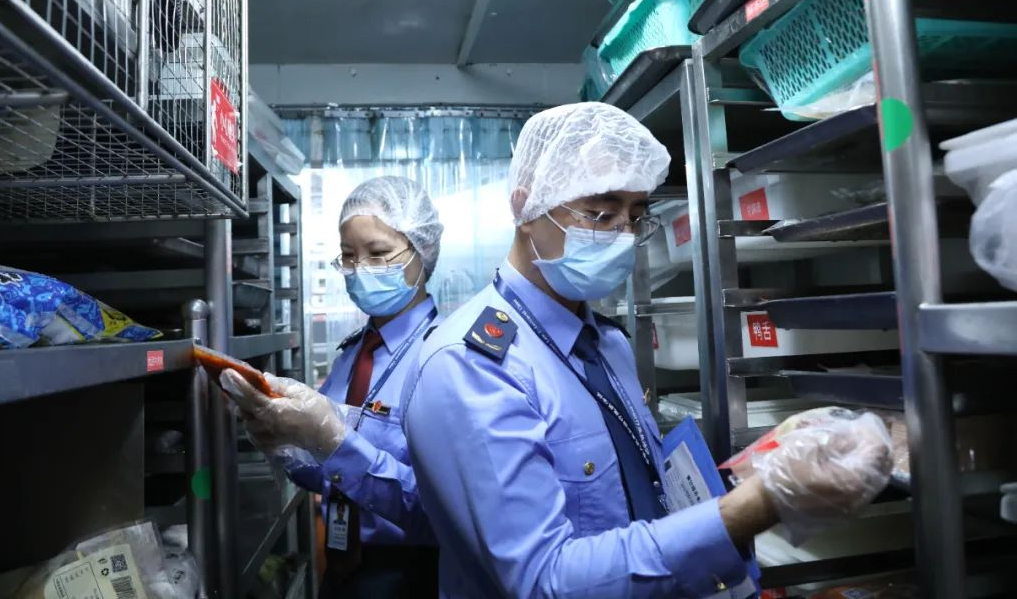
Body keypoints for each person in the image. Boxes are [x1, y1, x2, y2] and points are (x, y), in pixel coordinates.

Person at [401, 103, 893, 598]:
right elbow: (544, 581)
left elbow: (640, 492)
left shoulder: (607, 343)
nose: (624, 237)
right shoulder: (471, 366)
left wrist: (765, 467)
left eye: (636, 217)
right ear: (526, 208)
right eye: (600, 213)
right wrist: (760, 504)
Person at [223, 175, 443, 598]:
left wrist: (334, 443)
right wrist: (286, 442)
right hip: (343, 569)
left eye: (378, 253)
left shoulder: (444, 358)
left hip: (412, 573)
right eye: (348, 256)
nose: (360, 269)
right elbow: (332, 477)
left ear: (424, 248)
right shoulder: (353, 356)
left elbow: (442, 509)